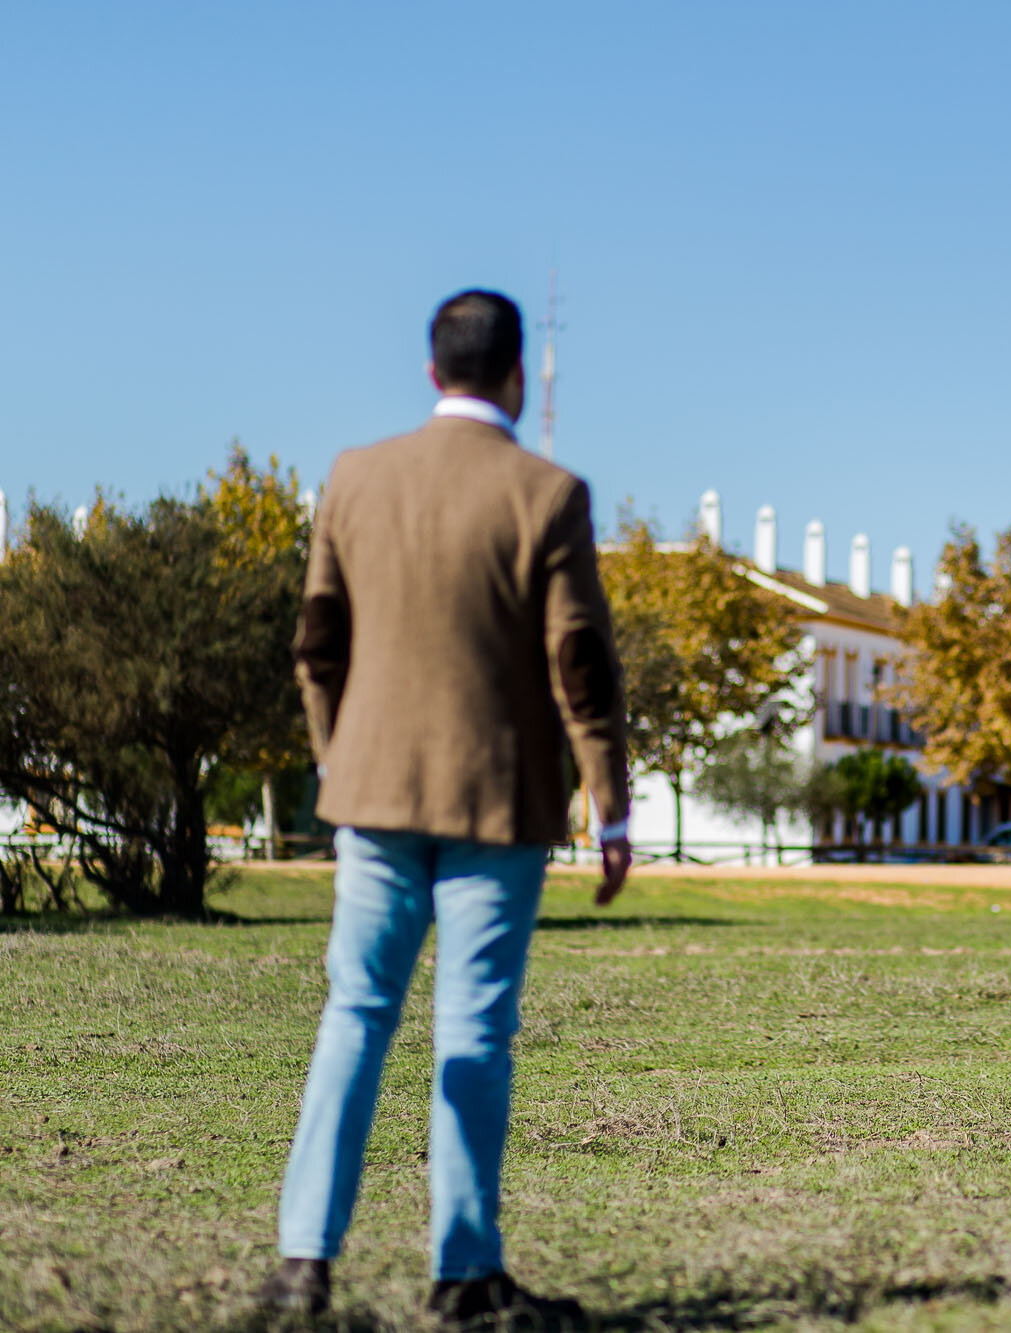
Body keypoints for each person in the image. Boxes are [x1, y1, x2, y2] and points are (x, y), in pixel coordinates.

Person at [257, 290, 633, 1326]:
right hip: (498, 802)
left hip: (371, 797)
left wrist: (343, 765)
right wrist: (609, 802)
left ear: (432, 374)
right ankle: (463, 1273)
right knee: (472, 1029)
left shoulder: (354, 477)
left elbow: (316, 645)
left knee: (354, 1015)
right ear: (516, 375)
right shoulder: (548, 492)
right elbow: (581, 664)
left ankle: (302, 1266)